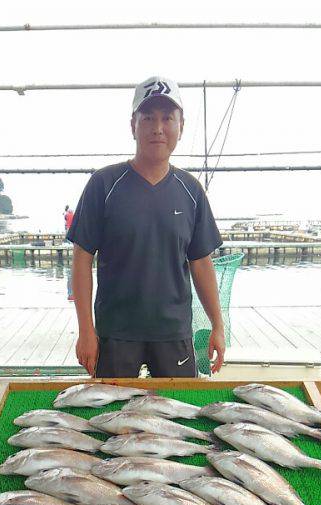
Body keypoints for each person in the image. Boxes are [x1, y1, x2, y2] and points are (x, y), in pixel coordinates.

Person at [67, 75, 225, 378]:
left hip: (174, 332)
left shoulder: (191, 190)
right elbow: (82, 259)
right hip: (115, 332)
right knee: (111, 419)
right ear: (132, 125)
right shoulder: (104, 184)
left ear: (181, 126)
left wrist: (217, 325)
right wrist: (86, 330)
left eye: (168, 118)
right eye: (148, 117)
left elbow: (201, 263)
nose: (157, 128)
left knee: (177, 420)